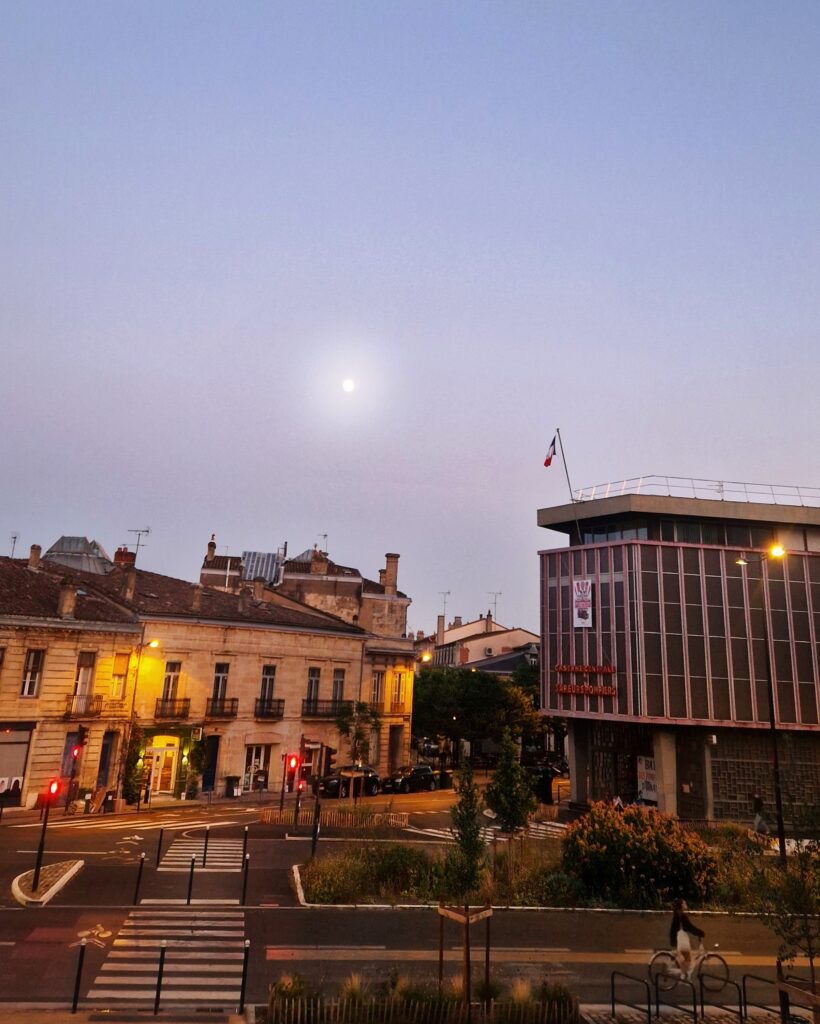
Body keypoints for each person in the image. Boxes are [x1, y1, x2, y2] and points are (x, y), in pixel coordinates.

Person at [670, 898, 705, 976]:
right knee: (689, 961)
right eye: (684, 903)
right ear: (681, 905)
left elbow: (688, 927)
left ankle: (683, 974)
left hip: (678, 938)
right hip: (680, 940)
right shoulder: (681, 915)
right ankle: (673, 973)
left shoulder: (678, 914)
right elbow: (689, 927)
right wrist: (700, 933)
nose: (686, 904)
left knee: (687, 959)